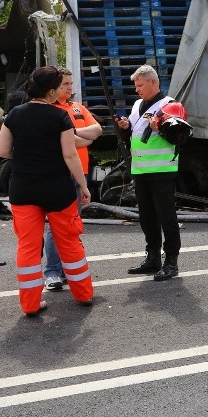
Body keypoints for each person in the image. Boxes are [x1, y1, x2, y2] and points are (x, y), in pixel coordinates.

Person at [0, 65, 94, 315]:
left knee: (28, 247)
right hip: (57, 189)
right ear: (51, 91)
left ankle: (30, 305)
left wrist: (28, 152)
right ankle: (83, 295)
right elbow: (70, 153)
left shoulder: (14, 115)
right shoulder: (58, 117)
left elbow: (3, 151)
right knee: (69, 242)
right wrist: (83, 186)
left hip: (23, 189)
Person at [116, 64, 183, 281]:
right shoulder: (137, 105)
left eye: (140, 85)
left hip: (162, 169)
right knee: (146, 217)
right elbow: (134, 137)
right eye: (136, 86)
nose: (137, 90)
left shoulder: (171, 105)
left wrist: (160, 128)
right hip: (141, 170)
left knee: (166, 216)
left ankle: (171, 261)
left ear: (153, 82)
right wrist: (125, 128)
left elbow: (180, 138)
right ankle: (152, 257)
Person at [43, 67, 103, 291]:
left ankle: (69, 270)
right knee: (55, 226)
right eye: (65, 84)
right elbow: (72, 141)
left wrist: (74, 134)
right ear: (54, 88)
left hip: (80, 173)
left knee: (72, 225)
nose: (70, 88)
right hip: (59, 173)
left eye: (70, 83)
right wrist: (80, 136)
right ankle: (52, 272)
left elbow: (97, 130)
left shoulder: (78, 107)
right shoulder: (48, 109)